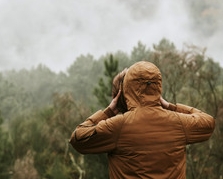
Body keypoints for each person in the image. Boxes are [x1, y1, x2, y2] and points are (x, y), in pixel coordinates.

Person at [69, 61, 215, 178]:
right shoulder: (178, 123)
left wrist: (108, 112)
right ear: (158, 87)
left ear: (126, 90)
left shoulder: (118, 126)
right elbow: (208, 122)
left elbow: (78, 138)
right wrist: (170, 106)